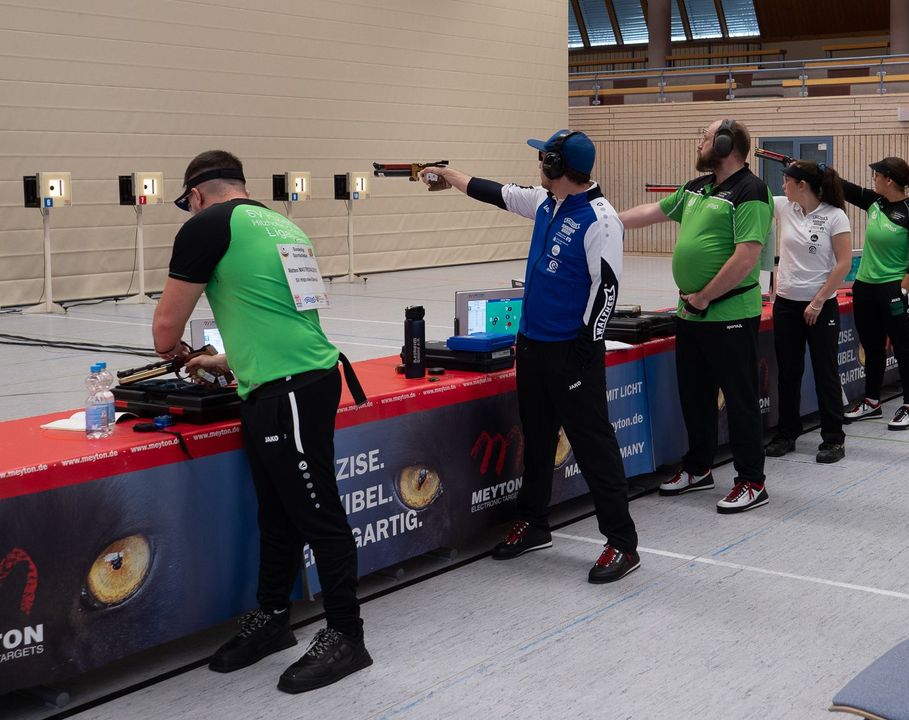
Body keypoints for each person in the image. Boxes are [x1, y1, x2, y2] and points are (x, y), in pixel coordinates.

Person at [152, 150, 371, 693]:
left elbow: (164, 332)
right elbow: (284, 317)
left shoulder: (206, 225)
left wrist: (179, 352)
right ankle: (274, 616)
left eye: (187, 203)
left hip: (288, 390)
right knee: (279, 512)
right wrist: (227, 360)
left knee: (317, 513)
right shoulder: (280, 223)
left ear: (197, 194)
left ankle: (347, 635)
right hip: (298, 378)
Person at [422, 130, 640, 583]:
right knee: (537, 441)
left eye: (544, 158)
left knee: (594, 445)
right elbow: (493, 192)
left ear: (559, 166)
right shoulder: (546, 201)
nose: (537, 164)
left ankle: (622, 542)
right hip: (534, 346)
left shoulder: (600, 219)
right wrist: (449, 175)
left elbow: (607, 292)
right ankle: (535, 523)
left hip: (572, 353)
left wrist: (583, 350)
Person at [619, 119, 773, 514]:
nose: (699, 145)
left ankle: (752, 481)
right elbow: (651, 211)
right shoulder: (697, 188)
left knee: (739, 399)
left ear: (724, 144)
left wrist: (704, 297)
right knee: (695, 395)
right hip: (694, 313)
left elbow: (747, 257)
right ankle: (698, 467)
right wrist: (605, 218)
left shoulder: (751, 190)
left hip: (729, 312)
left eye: (704, 138)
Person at [764, 160, 851, 463]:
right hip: (786, 305)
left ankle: (833, 439)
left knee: (825, 372)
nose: (782, 186)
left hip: (820, 305)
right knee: (788, 373)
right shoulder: (785, 207)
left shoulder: (835, 216)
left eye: (786, 181)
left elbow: (843, 265)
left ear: (802, 186)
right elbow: (751, 194)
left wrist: (817, 301)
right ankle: (787, 433)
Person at [841, 157, 909, 430]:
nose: (873, 180)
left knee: (904, 348)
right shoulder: (875, 203)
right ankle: (871, 401)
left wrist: (901, 290)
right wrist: (817, 171)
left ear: (888, 179)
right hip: (865, 287)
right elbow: (845, 188)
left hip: (894, 288)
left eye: (876, 175)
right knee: (872, 347)